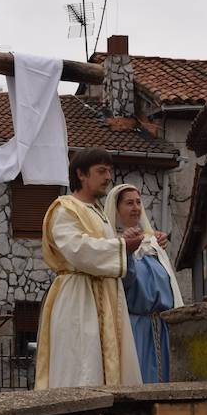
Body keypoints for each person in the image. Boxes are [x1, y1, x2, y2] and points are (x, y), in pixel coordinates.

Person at [35, 148, 145, 389]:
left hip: (105, 295)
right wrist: (121, 246)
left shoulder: (99, 213)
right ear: (81, 174)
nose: (108, 177)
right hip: (78, 296)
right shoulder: (65, 209)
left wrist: (122, 246)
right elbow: (77, 249)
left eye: (109, 171)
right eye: (101, 171)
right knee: (82, 360)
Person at [105, 184, 184, 383]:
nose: (136, 208)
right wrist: (127, 250)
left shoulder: (153, 243)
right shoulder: (110, 245)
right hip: (135, 329)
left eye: (138, 202)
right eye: (129, 203)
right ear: (116, 208)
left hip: (163, 327)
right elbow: (123, 282)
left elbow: (169, 283)